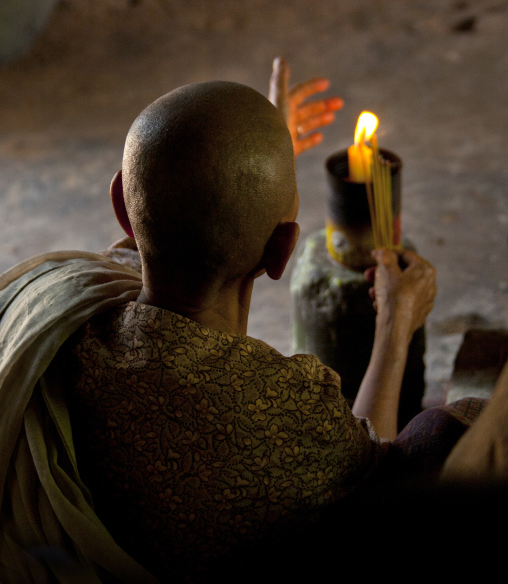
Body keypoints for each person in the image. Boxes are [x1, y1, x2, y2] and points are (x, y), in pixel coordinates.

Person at [0, 56, 439, 583]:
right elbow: (377, 480)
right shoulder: (285, 412)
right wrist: (396, 323)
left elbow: (165, 219)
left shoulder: (67, 319)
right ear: (282, 252)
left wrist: (261, 153)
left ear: (121, 205)